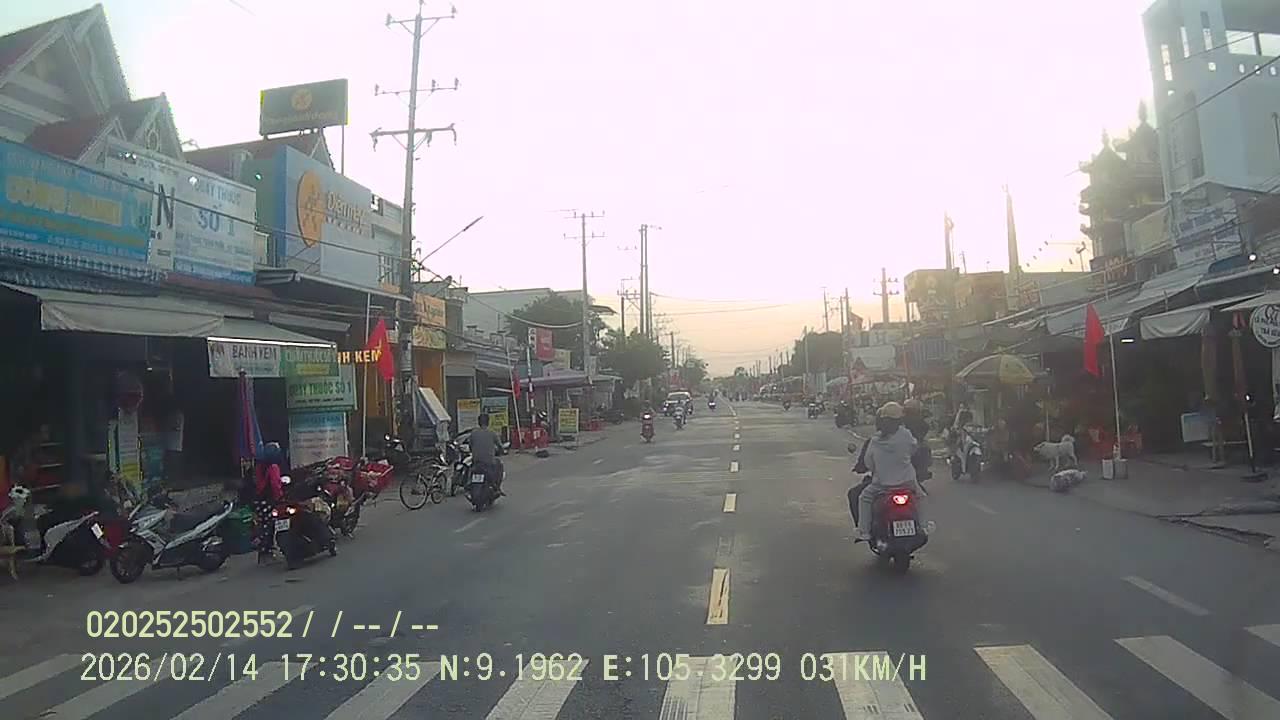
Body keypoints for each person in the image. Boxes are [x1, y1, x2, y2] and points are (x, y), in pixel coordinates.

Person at [853, 402, 928, 541]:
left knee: (864, 498)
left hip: (882, 484)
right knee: (921, 497)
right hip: (907, 482)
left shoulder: (875, 440)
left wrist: (878, 469)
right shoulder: (906, 435)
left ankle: (864, 531)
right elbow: (913, 449)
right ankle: (924, 526)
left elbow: (869, 463)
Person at [254, 442, 285, 562]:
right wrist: (280, 497)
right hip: (269, 500)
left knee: (263, 525)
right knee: (270, 526)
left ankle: (263, 553)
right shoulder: (273, 467)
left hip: (258, 500)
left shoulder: (259, 467)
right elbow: (275, 485)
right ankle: (267, 552)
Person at [469, 414, 505, 494]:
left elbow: (470, 446)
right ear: (488, 422)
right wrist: (502, 451)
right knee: (499, 465)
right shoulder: (492, 433)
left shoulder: (473, 433)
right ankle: (497, 487)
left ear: (479, 422)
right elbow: (500, 446)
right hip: (488, 462)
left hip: (476, 461)